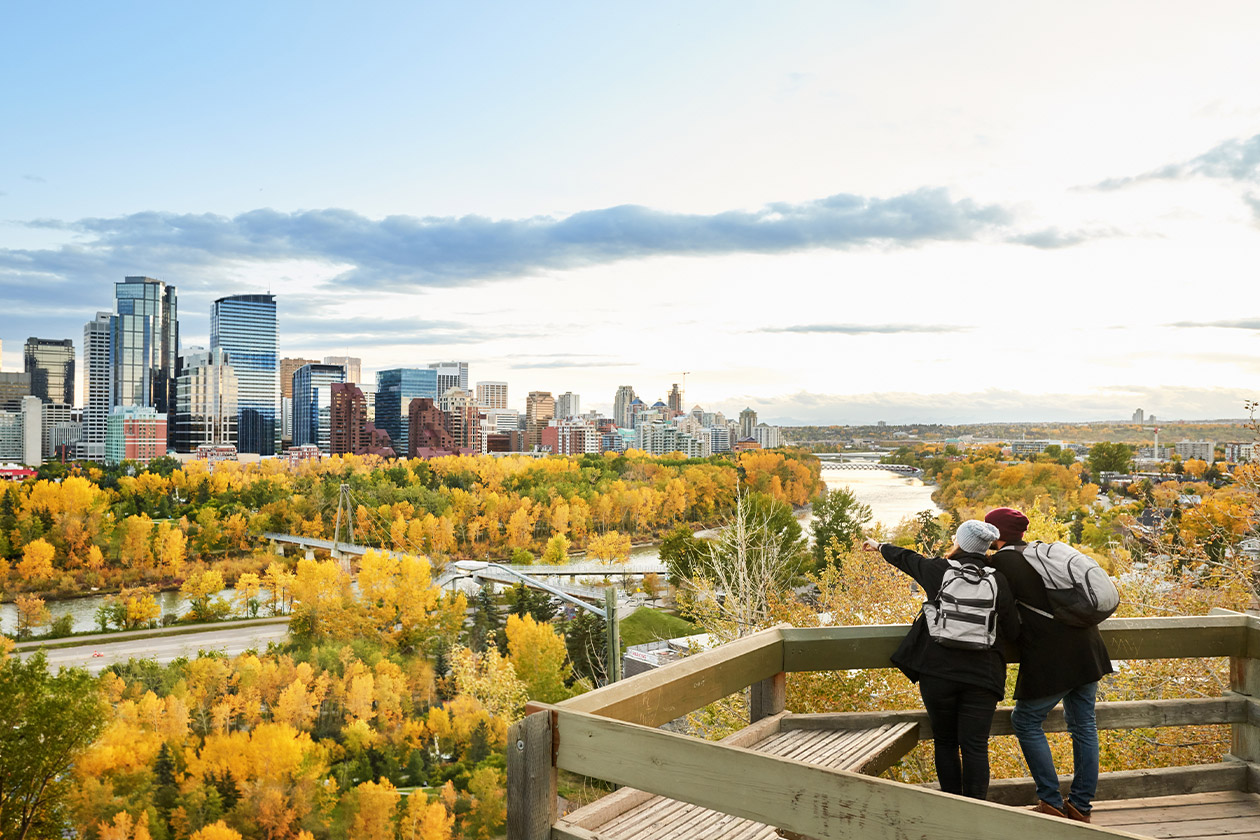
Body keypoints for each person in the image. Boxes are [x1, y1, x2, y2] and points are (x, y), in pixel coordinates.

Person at [862, 521, 1019, 799]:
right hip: (983, 676)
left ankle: (952, 811)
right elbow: (1013, 630)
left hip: (938, 672)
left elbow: (907, 558)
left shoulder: (938, 570)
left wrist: (879, 546)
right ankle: (976, 815)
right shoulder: (999, 580)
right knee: (975, 746)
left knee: (945, 742)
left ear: (960, 542)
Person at [984, 507, 1114, 823]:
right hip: (1088, 647)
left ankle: (1051, 801)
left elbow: (1003, 611)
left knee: (1026, 720)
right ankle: (1080, 806)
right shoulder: (1039, 554)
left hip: (1054, 655)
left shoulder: (1003, 562)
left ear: (997, 535)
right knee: (1083, 724)